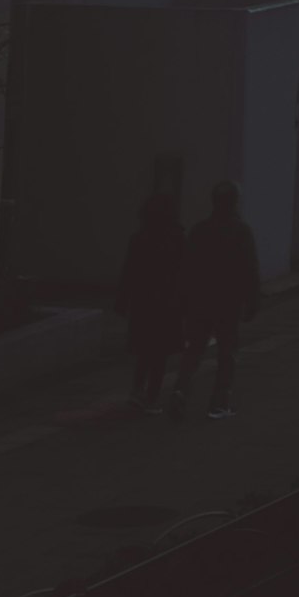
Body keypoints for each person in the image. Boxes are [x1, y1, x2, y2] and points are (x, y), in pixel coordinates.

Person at [175, 180, 262, 421]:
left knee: (195, 348)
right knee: (226, 351)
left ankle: (180, 388)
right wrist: (252, 301)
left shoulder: (199, 229)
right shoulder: (241, 230)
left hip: (200, 300)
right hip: (228, 302)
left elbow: (186, 268)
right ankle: (219, 402)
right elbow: (250, 268)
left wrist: (183, 300)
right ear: (234, 202)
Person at [111, 172, 185, 417]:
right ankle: (151, 396)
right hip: (168, 304)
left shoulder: (140, 238)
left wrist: (122, 301)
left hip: (143, 303)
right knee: (160, 354)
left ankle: (137, 392)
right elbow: (185, 272)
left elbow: (129, 271)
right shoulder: (177, 237)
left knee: (144, 351)